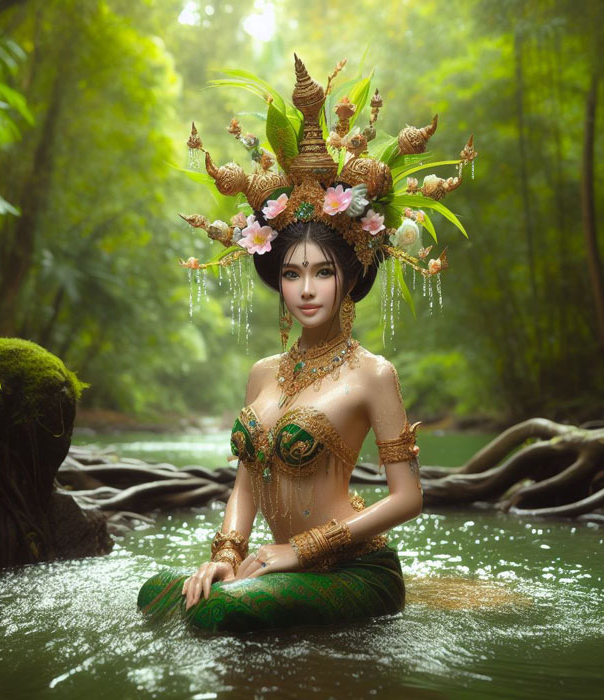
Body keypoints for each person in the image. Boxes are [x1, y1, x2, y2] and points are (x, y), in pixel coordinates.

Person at [137, 55, 475, 633]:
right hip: (271, 566)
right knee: (161, 593)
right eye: (292, 274)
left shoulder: (373, 374)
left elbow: (407, 498)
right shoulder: (262, 372)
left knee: (223, 612)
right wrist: (224, 556)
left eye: (322, 272)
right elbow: (246, 483)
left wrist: (301, 549)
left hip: (350, 565)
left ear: (353, 270)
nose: (306, 289)